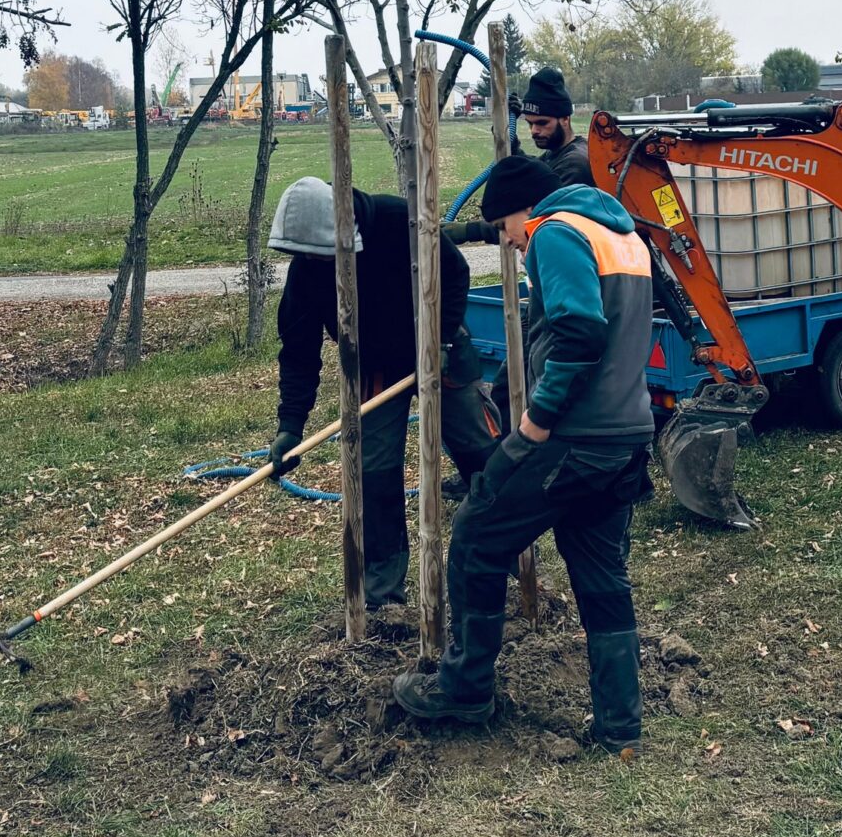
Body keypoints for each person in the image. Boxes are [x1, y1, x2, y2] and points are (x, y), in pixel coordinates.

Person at [395, 154, 652, 753]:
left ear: (525, 209)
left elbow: (580, 332)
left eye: (504, 226)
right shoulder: (621, 236)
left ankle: (464, 688)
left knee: (477, 536)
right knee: (602, 574)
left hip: (573, 437)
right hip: (626, 436)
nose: (509, 241)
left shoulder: (556, 232)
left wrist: (535, 424)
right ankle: (620, 729)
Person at [271, 173, 494, 607]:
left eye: (319, 255)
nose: (313, 262)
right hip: (376, 367)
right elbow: (298, 352)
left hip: (440, 351)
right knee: (373, 474)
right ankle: (383, 590)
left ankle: (512, 552)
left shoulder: (397, 221)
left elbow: (455, 273)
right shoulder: (307, 271)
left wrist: (442, 339)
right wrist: (290, 427)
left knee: (480, 452)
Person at [518, 65, 595, 189]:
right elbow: (534, 168)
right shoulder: (557, 152)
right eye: (530, 123)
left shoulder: (574, 164)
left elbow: (539, 198)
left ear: (565, 119)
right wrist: (512, 145)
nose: (534, 131)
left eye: (542, 123)